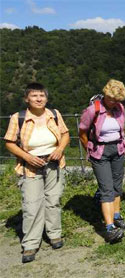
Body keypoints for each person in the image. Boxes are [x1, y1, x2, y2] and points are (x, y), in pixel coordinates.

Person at [4, 82, 70, 263]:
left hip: (54, 163)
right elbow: (9, 142)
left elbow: (65, 134)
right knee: (32, 205)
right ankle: (31, 244)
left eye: (42, 95)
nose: (39, 99)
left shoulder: (54, 114)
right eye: (34, 96)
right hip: (30, 165)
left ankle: (54, 235)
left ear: (46, 98)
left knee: (53, 200)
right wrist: (27, 157)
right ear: (27, 98)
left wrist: (60, 149)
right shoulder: (18, 118)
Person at [79, 79, 125, 243]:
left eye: (118, 100)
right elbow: (82, 132)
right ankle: (109, 228)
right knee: (106, 188)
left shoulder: (119, 108)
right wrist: (90, 148)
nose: (115, 103)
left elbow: (121, 128)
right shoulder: (92, 110)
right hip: (99, 151)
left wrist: (123, 143)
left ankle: (116, 216)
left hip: (117, 150)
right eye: (112, 99)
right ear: (106, 94)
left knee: (117, 184)